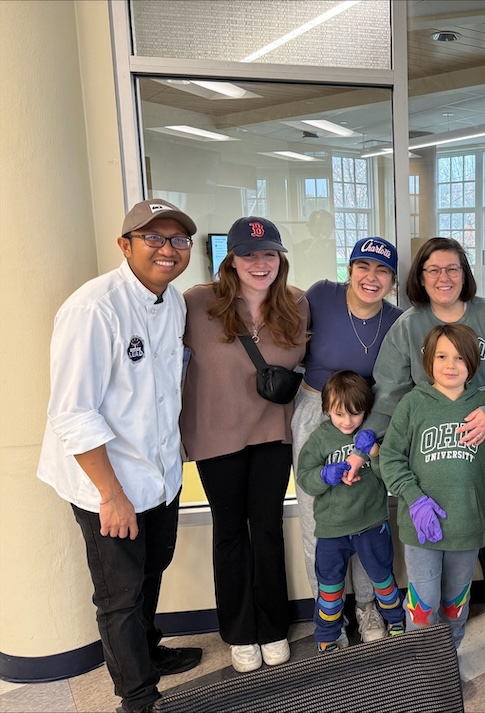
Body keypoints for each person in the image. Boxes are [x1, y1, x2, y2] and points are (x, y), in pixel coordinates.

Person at [38, 199, 202, 713]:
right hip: (106, 484)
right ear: (124, 245)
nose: (167, 250)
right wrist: (111, 496)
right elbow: (73, 414)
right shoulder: (93, 308)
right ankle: (138, 698)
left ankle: (147, 654)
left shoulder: (172, 302)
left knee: (154, 568)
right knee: (120, 595)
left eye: (178, 240)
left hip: (157, 474)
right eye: (153, 238)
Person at [364, 237, 485, 623]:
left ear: (465, 273)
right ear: (420, 278)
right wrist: (366, 442)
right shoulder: (408, 326)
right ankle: (424, 655)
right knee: (428, 589)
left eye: (453, 268)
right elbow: (390, 394)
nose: (444, 277)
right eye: (434, 270)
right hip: (432, 456)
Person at [180, 216, 309, 674]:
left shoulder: (296, 303)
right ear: (230, 260)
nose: (260, 263)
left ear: (280, 259)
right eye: (249, 254)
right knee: (230, 531)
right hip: (215, 435)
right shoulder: (196, 303)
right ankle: (239, 632)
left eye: (269, 254)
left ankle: (272, 626)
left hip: (273, 432)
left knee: (268, 527)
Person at [378, 324, 485, 647]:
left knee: (456, 607)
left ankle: (448, 668)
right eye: (442, 356)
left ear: (472, 363)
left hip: (466, 528)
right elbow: (390, 457)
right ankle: (423, 672)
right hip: (420, 528)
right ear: (428, 360)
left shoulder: (482, 406)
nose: (450, 365)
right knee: (423, 610)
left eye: (459, 357)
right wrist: (414, 499)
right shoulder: (413, 404)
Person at [293, 236, 402, 644]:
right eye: (363, 267)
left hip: (364, 415)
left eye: (382, 271)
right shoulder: (321, 295)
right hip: (314, 408)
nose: (371, 278)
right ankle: (331, 618)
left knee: (366, 515)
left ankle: (367, 607)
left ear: (392, 279)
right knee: (318, 522)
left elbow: (397, 382)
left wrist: (372, 430)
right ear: (350, 269)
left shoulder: (396, 319)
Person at [295, 371, 406, 653]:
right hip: (332, 531)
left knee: (383, 581)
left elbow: (389, 475)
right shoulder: (319, 439)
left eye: (355, 414)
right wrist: (323, 475)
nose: (347, 421)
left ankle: (396, 624)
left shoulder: (369, 436)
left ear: (366, 411)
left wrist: (376, 451)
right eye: (339, 414)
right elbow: (305, 478)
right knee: (330, 591)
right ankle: (327, 637)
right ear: (326, 410)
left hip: (371, 525)